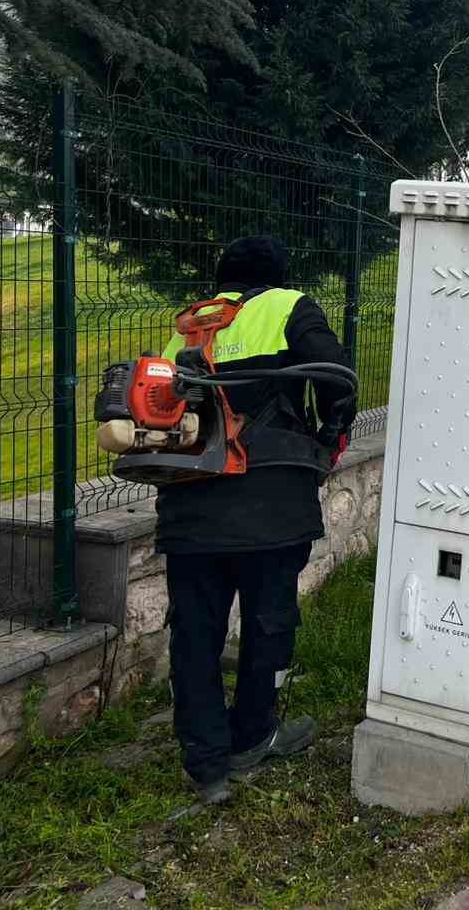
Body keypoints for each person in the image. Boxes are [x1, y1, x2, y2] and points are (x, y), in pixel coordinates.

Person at [156, 235, 356, 804]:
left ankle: (206, 764)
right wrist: (325, 440)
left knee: (195, 631)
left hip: (191, 504)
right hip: (271, 501)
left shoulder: (188, 327)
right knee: (270, 622)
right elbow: (338, 378)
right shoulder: (290, 306)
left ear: (223, 280)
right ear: (275, 275)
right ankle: (254, 736)